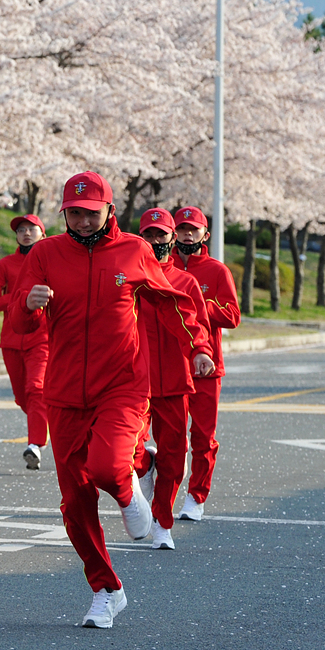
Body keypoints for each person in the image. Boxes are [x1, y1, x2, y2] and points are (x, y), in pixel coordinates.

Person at [11, 173, 211, 629]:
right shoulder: (45, 253)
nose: (82, 221)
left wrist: (197, 347)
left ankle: (126, 491)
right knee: (75, 502)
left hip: (121, 385)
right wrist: (28, 303)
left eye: (90, 212)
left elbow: (171, 301)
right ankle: (106, 589)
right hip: (63, 392)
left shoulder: (134, 251)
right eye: (74, 213)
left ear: (109, 210)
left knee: (106, 467)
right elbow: (20, 326)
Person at [133, 208, 214, 551]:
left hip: (176, 382)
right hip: (133, 381)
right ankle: (142, 465)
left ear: (172, 239)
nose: (155, 241)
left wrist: (201, 351)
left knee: (173, 453)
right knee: (127, 451)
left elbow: (199, 328)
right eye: (148, 235)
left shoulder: (186, 282)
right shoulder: (129, 278)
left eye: (161, 235)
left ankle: (162, 522)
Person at [169, 205, 241, 523]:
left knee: (201, 436)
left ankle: (196, 497)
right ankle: (157, 491)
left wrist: (201, 306)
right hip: (168, 363)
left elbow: (233, 316)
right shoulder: (160, 266)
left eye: (193, 230)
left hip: (206, 367)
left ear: (204, 235)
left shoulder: (216, 270)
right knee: (167, 437)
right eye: (182, 229)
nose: (187, 235)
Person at [0, 212, 50, 470]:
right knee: (23, 397)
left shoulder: (51, 261)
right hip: (11, 340)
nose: (25, 233)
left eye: (31, 228)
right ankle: (45, 424)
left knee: (36, 389)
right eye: (20, 229)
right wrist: (19, 300)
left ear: (42, 233)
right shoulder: (6, 264)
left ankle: (35, 445)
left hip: (41, 338)